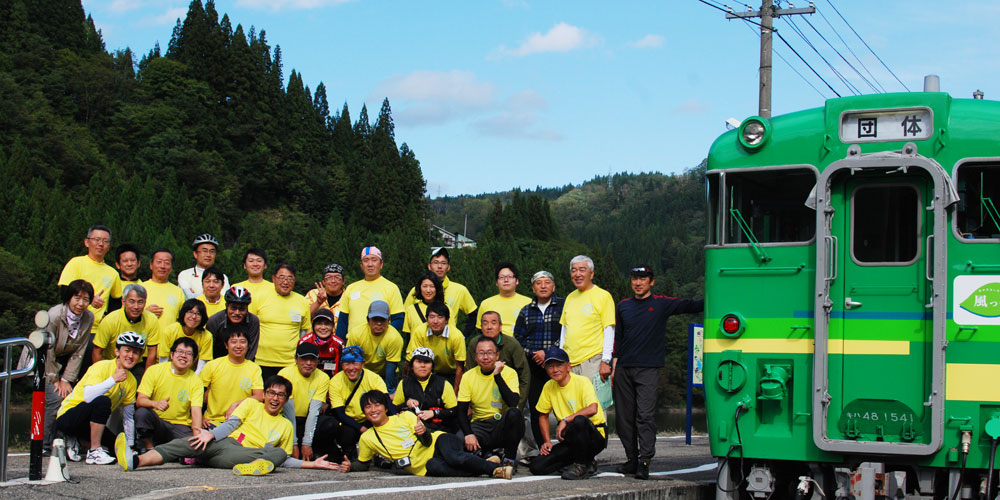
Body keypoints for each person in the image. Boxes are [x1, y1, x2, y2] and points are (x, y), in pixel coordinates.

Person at [116, 376, 349, 474]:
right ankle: (135, 461)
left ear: (286, 400)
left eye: (280, 395)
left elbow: (284, 458)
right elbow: (231, 424)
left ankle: (254, 468)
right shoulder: (250, 404)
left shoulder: (286, 426)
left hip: (245, 456)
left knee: (276, 452)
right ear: (265, 394)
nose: (275, 398)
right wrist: (210, 436)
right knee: (181, 444)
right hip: (223, 444)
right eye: (271, 393)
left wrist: (312, 465)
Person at [612, 264, 704, 479]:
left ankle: (644, 461)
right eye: (634, 278)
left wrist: (719, 295)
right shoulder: (623, 305)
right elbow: (618, 336)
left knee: (644, 416)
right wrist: (614, 361)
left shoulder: (662, 304)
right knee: (624, 418)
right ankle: (631, 460)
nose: (638, 282)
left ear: (651, 281)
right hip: (624, 367)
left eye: (643, 278)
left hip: (648, 369)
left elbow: (691, 305)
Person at [352, 390, 512, 479]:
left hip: (437, 442)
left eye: (377, 405)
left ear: (386, 408)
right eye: (368, 407)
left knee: (454, 457)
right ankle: (483, 463)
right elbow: (363, 463)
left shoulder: (405, 416)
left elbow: (427, 441)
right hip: (422, 466)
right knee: (443, 469)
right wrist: (350, 466)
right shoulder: (367, 438)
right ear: (364, 412)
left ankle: (495, 469)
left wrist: (423, 433)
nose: (373, 410)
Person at [56, 332, 142, 465]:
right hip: (68, 416)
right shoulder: (102, 366)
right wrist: (113, 379)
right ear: (117, 351)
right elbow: (88, 396)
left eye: (135, 352)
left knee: (116, 447)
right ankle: (94, 451)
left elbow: (128, 416)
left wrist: (130, 446)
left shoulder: (131, 381)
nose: (131, 356)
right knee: (103, 401)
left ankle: (77, 439)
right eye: (127, 351)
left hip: (88, 424)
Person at [528, 347, 607, 480]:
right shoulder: (548, 386)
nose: (555, 370)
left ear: (568, 366)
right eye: (550, 366)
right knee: (537, 466)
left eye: (559, 365)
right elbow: (543, 415)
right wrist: (547, 441)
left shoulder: (582, 382)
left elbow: (593, 408)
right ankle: (582, 461)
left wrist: (565, 420)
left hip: (592, 436)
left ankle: (581, 464)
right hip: (571, 439)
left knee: (579, 421)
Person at [513, 270, 564, 463]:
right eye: (538, 283)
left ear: (554, 286)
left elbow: (567, 333)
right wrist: (534, 354)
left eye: (547, 282)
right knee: (536, 410)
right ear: (533, 287)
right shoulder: (526, 311)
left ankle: (566, 449)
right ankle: (541, 450)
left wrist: (548, 353)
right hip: (533, 366)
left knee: (563, 408)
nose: (543, 286)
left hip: (558, 365)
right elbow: (519, 339)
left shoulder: (563, 306)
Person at [40, 279, 95, 456]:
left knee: (71, 397)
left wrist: (66, 379)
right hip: (42, 362)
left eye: (85, 299)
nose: (81, 303)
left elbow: (79, 350)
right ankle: (44, 443)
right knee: (56, 398)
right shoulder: (54, 315)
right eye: (77, 298)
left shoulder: (88, 317)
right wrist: (55, 379)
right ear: (68, 298)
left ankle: (63, 441)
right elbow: (47, 349)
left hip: (65, 364)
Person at [458, 336, 524, 465]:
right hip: (480, 424)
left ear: (497, 355)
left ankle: (509, 458)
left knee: (514, 414)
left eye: (490, 353)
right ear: (475, 357)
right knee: (459, 441)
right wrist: (468, 434)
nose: (485, 357)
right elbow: (461, 410)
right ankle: (489, 453)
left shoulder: (509, 373)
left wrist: (497, 376)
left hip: (501, 424)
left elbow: (513, 402)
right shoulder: (468, 376)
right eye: (481, 353)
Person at [135, 337, 204, 449]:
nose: (183, 356)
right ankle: (149, 448)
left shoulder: (196, 381)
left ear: (193, 359)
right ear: (171, 355)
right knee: (142, 413)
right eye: (180, 351)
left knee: (191, 447)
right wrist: (155, 404)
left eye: (189, 353)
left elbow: (196, 412)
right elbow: (140, 401)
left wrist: (197, 438)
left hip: (180, 426)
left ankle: (168, 450)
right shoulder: (154, 370)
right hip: (157, 422)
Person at [559, 255, 615, 384]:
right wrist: (561, 358)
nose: (577, 274)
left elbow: (609, 329)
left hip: (592, 360)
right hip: (569, 362)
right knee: (573, 402)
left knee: (593, 402)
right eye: (573, 270)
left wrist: (606, 360)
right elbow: (564, 330)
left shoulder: (603, 296)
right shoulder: (570, 297)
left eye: (582, 270)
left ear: (592, 274)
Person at [325, 346, 388, 459]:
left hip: (371, 418)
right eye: (346, 364)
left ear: (363, 364)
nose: (351, 368)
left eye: (355, 363)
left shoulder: (373, 378)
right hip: (349, 420)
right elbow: (339, 413)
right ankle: (348, 452)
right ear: (341, 365)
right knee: (346, 433)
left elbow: (386, 401)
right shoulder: (335, 381)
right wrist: (361, 428)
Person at [252, 264, 311, 380]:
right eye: (281, 277)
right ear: (273, 279)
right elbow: (250, 327)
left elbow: (305, 331)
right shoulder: (259, 298)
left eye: (290, 278)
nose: (285, 282)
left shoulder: (302, 301)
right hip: (262, 360)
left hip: (290, 362)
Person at [58, 224, 122, 328]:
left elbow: (116, 302)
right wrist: (89, 300)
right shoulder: (76, 263)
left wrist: (108, 319)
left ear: (109, 246)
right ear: (87, 242)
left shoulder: (113, 273)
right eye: (96, 239)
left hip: (98, 329)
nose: (101, 244)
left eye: (105, 241)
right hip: (73, 325)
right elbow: (65, 292)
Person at [278, 343, 333, 461]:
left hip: (307, 419)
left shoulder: (323, 377)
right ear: (296, 359)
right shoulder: (285, 374)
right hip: (288, 420)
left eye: (312, 359)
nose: (308, 363)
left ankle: (316, 450)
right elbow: (289, 412)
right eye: (303, 359)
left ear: (317, 361)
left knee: (330, 424)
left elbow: (314, 412)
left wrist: (306, 444)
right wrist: (293, 444)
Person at [336, 246, 404, 340]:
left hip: (380, 343)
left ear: (381, 264)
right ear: (361, 265)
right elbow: (343, 322)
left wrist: (384, 337)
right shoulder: (351, 288)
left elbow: (398, 319)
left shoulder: (391, 288)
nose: (370, 264)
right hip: (353, 346)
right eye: (366, 260)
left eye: (374, 260)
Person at [405, 248, 479, 335]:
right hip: (418, 343)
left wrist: (462, 336)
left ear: (448, 267)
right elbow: (406, 317)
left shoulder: (460, 289)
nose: (439, 266)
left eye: (443, 263)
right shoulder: (417, 290)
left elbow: (474, 316)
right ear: (429, 266)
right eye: (435, 262)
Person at [464, 311, 530, 409]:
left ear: (500, 326)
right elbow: (469, 370)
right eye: (485, 323)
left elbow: (524, 375)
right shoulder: (474, 344)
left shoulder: (512, 344)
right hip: (481, 392)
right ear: (481, 327)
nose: (489, 327)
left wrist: (518, 405)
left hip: (509, 390)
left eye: (493, 323)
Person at [92, 284, 160, 376]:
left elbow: (152, 353)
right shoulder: (110, 320)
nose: (136, 306)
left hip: (135, 364)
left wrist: (147, 379)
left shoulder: (151, 319)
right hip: (111, 363)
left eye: (140, 302)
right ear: (123, 301)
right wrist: (99, 376)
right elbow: (97, 351)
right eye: (131, 301)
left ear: (145, 303)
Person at [199, 330, 264, 426]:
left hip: (241, 422)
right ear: (226, 345)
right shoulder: (213, 365)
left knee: (242, 440)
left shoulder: (254, 368)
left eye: (242, 342)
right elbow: (197, 393)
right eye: (233, 342)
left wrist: (236, 404)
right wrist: (200, 417)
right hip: (213, 421)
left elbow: (259, 397)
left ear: (248, 345)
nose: (238, 346)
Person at [394, 347, 458, 433]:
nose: (422, 365)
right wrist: (407, 403)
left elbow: (454, 411)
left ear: (432, 366)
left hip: (439, 429)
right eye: (418, 362)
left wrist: (434, 413)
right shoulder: (404, 383)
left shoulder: (443, 383)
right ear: (412, 365)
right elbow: (394, 410)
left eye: (427, 362)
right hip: (411, 429)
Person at [405, 300, 465, 389]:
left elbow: (460, 367)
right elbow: (414, 360)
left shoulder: (456, 336)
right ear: (426, 319)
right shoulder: (419, 331)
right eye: (432, 317)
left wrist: (455, 393)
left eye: (440, 317)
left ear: (447, 320)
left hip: (451, 373)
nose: (435, 321)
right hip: (427, 372)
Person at [345, 300, 403, 388]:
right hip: (361, 372)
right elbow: (350, 360)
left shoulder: (395, 338)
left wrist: (389, 390)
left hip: (384, 374)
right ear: (368, 320)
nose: (379, 323)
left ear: (388, 321)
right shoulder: (356, 334)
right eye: (375, 319)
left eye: (382, 320)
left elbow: (391, 367)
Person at [476, 262, 531, 337]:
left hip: (520, 345)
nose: (506, 280)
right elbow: (480, 328)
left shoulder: (528, 302)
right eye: (502, 277)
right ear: (496, 282)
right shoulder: (486, 303)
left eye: (510, 277)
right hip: (494, 344)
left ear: (517, 281)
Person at [207, 286, 261, 361]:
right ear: (226, 306)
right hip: (218, 362)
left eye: (242, 309)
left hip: (244, 363)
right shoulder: (214, 321)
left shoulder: (253, 321)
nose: (237, 313)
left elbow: (252, 349)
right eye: (233, 308)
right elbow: (209, 351)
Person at [159, 298, 213, 373]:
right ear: (183, 313)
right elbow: (163, 361)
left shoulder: (206, 336)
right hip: (168, 372)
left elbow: (201, 367)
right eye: (190, 312)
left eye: (198, 314)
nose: (194, 317)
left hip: (191, 375)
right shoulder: (169, 331)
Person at [143, 248, 186, 334]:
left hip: (169, 343)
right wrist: (144, 314)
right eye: (159, 262)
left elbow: (182, 321)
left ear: (171, 267)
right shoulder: (140, 288)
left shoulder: (178, 292)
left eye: (167, 263)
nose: (162, 266)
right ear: (151, 265)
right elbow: (127, 317)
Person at [178, 234, 230, 300]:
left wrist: (198, 294)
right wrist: (211, 295)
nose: (208, 255)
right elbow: (190, 298)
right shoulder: (185, 275)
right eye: (204, 251)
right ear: (195, 254)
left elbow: (223, 300)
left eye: (212, 252)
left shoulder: (223, 277)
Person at [300, 308, 345, 377]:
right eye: (319, 324)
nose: (323, 327)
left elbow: (342, 368)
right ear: (313, 326)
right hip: (309, 379)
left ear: (333, 326)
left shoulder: (339, 344)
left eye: (327, 324)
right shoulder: (305, 341)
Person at [401, 272, 444, 344]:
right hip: (416, 352)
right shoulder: (411, 310)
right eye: (425, 286)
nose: (428, 290)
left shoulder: (445, 309)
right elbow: (408, 337)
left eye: (432, 286)